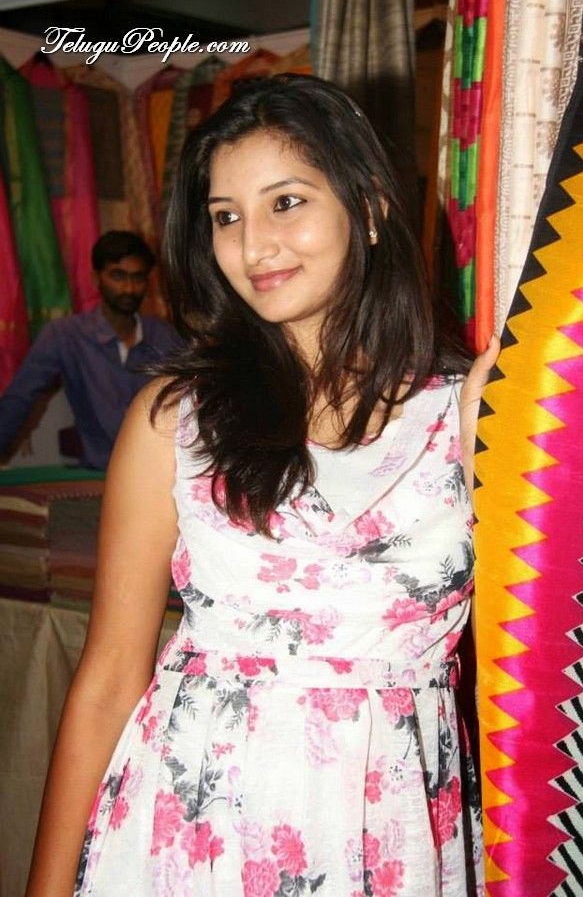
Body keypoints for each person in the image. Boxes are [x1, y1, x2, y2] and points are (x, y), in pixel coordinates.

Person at [26, 75, 499, 896]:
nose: (253, 247)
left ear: (370, 206)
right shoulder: (176, 420)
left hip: (391, 838)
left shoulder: (465, 414)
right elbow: (107, 679)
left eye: (286, 202)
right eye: (226, 217)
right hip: (195, 834)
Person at [0, 231, 182, 470]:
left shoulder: (165, 336)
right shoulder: (65, 335)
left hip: (162, 474)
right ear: (96, 278)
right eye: (118, 276)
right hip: (98, 475)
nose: (129, 288)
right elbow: (20, 397)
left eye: (138, 278)